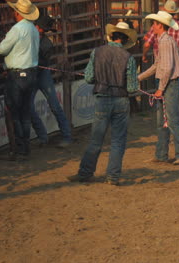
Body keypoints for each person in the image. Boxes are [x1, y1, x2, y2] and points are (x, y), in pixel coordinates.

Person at [67, 21, 138, 185]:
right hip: (121, 99)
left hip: (102, 98)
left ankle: (85, 173)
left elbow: (89, 77)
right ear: (125, 39)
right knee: (118, 140)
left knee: (96, 139)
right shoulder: (128, 58)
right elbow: (132, 87)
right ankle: (112, 177)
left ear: (111, 35)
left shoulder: (96, 52)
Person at [0, 0, 39, 159]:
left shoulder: (17, 29)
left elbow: (2, 49)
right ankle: (25, 146)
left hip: (17, 75)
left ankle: (19, 148)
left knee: (14, 112)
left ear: (17, 13)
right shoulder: (33, 29)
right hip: (31, 73)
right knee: (24, 111)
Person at [138, 11, 179, 165]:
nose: (152, 26)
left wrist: (160, 88)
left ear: (160, 25)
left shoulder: (165, 42)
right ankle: (161, 154)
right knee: (163, 122)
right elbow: (158, 65)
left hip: (169, 84)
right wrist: (139, 77)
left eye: (154, 23)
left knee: (171, 121)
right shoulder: (164, 40)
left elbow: (166, 68)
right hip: (168, 83)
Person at [31, 15, 72, 147]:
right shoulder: (41, 41)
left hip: (40, 73)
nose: (42, 31)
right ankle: (43, 136)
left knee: (54, 105)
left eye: (43, 29)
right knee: (29, 107)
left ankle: (65, 136)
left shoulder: (46, 43)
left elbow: (42, 62)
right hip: (36, 74)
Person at [142, 0, 179, 96]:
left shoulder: (157, 27)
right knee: (174, 99)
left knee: (164, 98)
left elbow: (147, 44)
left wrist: (144, 55)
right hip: (177, 71)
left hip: (162, 69)